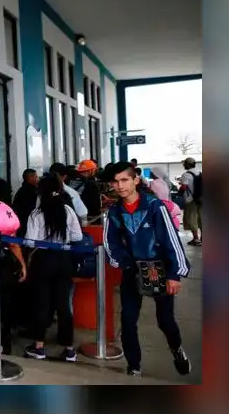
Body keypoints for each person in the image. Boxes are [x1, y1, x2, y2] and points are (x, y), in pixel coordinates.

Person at [104, 161, 192, 378]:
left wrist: (175, 274)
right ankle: (134, 366)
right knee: (127, 320)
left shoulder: (155, 206)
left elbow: (172, 240)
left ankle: (177, 350)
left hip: (159, 269)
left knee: (165, 320)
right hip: (132, 272)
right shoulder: (114, 211)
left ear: (135, 180)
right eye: (115, 182)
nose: (120, 185)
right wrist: (123, 262)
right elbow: (110, 243)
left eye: (124, 180)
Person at [22, 175, 84, 362]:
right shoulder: (67, 210)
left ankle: (39, 347)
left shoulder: (36, 214)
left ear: (40, 191)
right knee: (63, 305)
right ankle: (69, 349)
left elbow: (30, 241)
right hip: (64, 259)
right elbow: (78, 237)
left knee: (41, 304)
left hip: (43, 260)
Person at [178, 157, 203, 246]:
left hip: (190, 200)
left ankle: (196, 239)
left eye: (184, 163)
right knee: (201, 218)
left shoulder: (186, 175)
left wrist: (179, 192)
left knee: (191, 218)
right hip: (201, 199)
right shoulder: (199, 173)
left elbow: (184, 187)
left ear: (187, 164)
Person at [11, 169, 39, 237]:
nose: (37, 179)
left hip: (21, 224)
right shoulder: (31, 192)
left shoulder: (21, 190)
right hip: (28, 223)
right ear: (30, 178)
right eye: (36, 176)